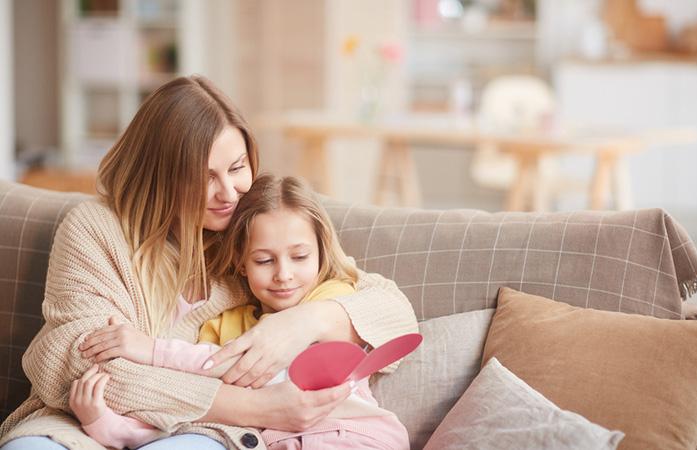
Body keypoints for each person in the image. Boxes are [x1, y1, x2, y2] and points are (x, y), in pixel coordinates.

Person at [0, 76, 418, 450]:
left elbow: (392, 311)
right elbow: (80, 362)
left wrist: (303, 322)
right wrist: (259, 407)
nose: (229, 193)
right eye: (204, 177)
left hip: (209, 434)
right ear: (160, 175)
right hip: (83, 422)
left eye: (237, 168)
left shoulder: (256, 232)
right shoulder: (95, 229)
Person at [69, 174, 411, 449]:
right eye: (264, 260)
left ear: (321, 253)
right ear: (241, 263)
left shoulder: (335, 299)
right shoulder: (223, 328)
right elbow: (191, 408)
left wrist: (149, 349)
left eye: (300, 256)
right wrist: (106, 424)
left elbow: (395, 318)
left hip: (357, 437)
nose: (284, 274)